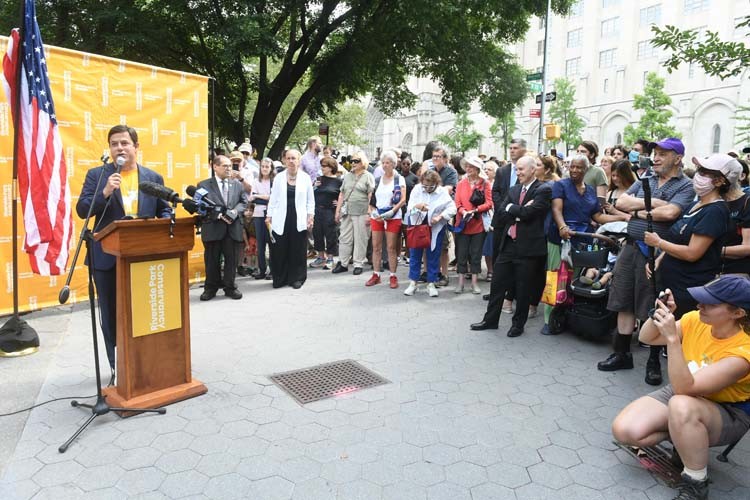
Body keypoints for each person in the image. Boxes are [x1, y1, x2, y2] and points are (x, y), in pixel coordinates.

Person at [611, 276, 750, 500]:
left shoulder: (744, 352)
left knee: (681, 405)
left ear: (738, 313)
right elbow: (648, 338)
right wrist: (660, 313)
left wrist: (673, 340)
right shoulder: (696, 319)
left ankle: (696, 482)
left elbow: (685, 388)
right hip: (684, 394)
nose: (699, 306)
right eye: (701, 299)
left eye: (710, 303)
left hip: (728, 411)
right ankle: (685, 437)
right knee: (624, 431)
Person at [598, 138, 696, 386]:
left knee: (654, 305)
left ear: (678, 158)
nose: (657, 157)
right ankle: (622, 354)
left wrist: (639, 209)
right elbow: (621, 202)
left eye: (664, 153)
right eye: (656, 153)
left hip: (655, 254)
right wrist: (654, 205)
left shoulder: (685, 185)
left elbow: (672, 213)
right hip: (629, 247)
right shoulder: (645, 179)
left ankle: (653, 361)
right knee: (623, 301)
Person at [76, 125, 172, 371]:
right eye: (114, 143)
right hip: (107, 257)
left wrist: (167, 217)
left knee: (143, 310)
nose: (119, 147)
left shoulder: (153, 177)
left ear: (136, 147)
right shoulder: (98, 176)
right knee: (110, 314)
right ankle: (115, 368)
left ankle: (144, 362)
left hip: (144, 257)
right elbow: (83, 210)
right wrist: (106, 192)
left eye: (124, 143)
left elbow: (164, 209)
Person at [644, 154, 734, 318]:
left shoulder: (715, 211)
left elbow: (692, 253)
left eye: (705, 173)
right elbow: (677, 238)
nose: (699, 176)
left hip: (688, 288)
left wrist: (658, 242)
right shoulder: (695, 205)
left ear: (720, 181)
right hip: (671, 283)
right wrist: (659, 259)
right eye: (699, 171)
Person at [542, 154, 622, 335]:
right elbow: (557, 209)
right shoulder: (561, 185)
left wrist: (622, 217)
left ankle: (568, 316)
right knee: (556, 276)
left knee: (574, 278)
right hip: (561, 237)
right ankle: (549, 319)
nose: (575, 170)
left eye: (579, 167)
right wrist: (562, 226)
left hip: (581, 239)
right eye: (572, 167)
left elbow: (598, 216)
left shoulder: (591, 191)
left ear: (586, 170)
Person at [471, 156, 551, 336]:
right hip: (508, 245)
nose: (518, 172)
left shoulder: (543, 190)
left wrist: (514, 210)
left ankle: (518, 325)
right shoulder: (514, 189)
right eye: (517, 169)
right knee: (497, 284)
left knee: (523, 288)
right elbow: (501, 212)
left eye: (522, 169)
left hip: (528, 248)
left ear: (533, 170)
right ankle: (490, 320)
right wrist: (518, 212)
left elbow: (532, 213)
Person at [198, 155, 248, 301]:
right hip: (213, 228)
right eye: (225, 166)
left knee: (231, 260)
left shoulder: (237, 184)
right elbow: (201, 206)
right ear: (215, 167)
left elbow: (243, 202)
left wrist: (234, 211)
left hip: (232, 229)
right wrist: (218, 215)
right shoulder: (203, 185)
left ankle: (230, 287)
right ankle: (210, 288)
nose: (228, 168)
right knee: (212, 260)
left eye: (230, 165)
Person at [266, 149, 315, 289]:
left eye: (294, 158)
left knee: (297, 249)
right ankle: (280, 278)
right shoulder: (279, 178)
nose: (291, 161)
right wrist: (269, 216)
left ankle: (297, 278)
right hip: (280, 217)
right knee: (280, 249)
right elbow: (273, 199)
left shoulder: (305, 178)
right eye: (288, 158)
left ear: (299, 160)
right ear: (284, 160)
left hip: (299, 218)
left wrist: (310, 216)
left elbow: (310, 200)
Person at [403, 170, 456, 297]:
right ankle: (413, 283)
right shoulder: (417, 189)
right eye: (425, 186)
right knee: (415, 253)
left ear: (436, 184)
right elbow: (410, 206)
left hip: (435, 227)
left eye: (430, 186)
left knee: (434, 254)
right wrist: (418, 206)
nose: (427, 189)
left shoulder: (442, 192)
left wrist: (440, 217)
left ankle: (431, 283)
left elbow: (452, 208)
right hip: (417, 225)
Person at [488, 138, 527, 308]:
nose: (512, 151)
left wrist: (512, 210)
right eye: (510, 147)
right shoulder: (502, 170)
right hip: (501, 219)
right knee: (498, 255)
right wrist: (503, 209)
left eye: (516, 148)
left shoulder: (527, 171)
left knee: (515, 256)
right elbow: (495, 191)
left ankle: (513, 293)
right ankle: (496, 291)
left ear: (523, 150)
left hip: (518, 220)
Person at [366, 151, 407, 288]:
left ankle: (393, 275)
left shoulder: (399, 179)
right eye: (383, 162)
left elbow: (402, 199)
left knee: (391, 247)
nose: (385, 165)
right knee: (376, 246)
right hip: (378, 215)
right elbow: (371, 200)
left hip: (393, 216)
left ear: (394, 164)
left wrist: (392, 212)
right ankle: (376, 274)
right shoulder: (377, 180)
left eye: (388, 162)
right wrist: (372, 213)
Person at [453, 157, 493, 294]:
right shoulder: (461, 184)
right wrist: (463, 212)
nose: (468, 169)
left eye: (471, 167)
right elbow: (457, 203)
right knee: (461, 253)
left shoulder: (485, 184)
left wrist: (476, 210)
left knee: (476, 254)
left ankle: (475, 283)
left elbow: (489, 203)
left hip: (478, 224)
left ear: (477, 169)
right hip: (462, 224)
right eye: (467, 166)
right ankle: (460, 283)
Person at [333, 151, 375, 275]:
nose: (353, 163)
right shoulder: (347, 176)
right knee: (344, 237)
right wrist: (337, 211)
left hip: (362, 211)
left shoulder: (368, 176)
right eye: (352, 160)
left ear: (363, 162)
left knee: (360, 238)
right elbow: (342, 194)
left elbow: (370, 196)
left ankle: (358, 263)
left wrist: (369, 213)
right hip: (347, 211)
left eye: (356, 161)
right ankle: (343, 262)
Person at [430, 144, 458, 287]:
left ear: (445, 159)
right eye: (433, 156)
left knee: (443, 245)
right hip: (430, 212)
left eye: (438, 156)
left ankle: (445, 274)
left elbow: (448, 190)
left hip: (443, 213)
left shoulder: (451, 172)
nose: (435, 159)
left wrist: (432, 190)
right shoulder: (430, 171)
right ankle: (431, 272)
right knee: (429, 243)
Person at [309, 157, 343, 271]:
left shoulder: (338, 181)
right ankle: (320, 256)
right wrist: (314, 187)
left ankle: (330, 258)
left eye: (324, 166)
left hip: (330, 210)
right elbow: (310, 194)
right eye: (321, 166)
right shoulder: (319, 179)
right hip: (317, 209)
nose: (322, 168)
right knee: (317, 233)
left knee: (331, 234)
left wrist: (339, 203)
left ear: (331, 167)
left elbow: (343, 195)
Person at [250, 158, 275, 280]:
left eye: (267, 167)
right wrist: (260, 198)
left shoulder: (274, 181)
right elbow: (251, 198)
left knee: (271, 242)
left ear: (271, 168)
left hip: (271, 214)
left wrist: (258, 196)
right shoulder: (256, 181)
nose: (265, 169)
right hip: (258, 214)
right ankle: (262, 269)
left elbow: (273, 197)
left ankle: (273, 269)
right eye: (263, 166)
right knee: (260, 243)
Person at [482, 161, 499, 281]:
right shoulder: (481, 184)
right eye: (485, 169)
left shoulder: (497, 184)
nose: (487, 171)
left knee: (492, 245)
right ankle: (489, 270)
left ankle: (493, 270)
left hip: (494, 217)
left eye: (490, 169)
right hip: (482, 217)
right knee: (485, 245)